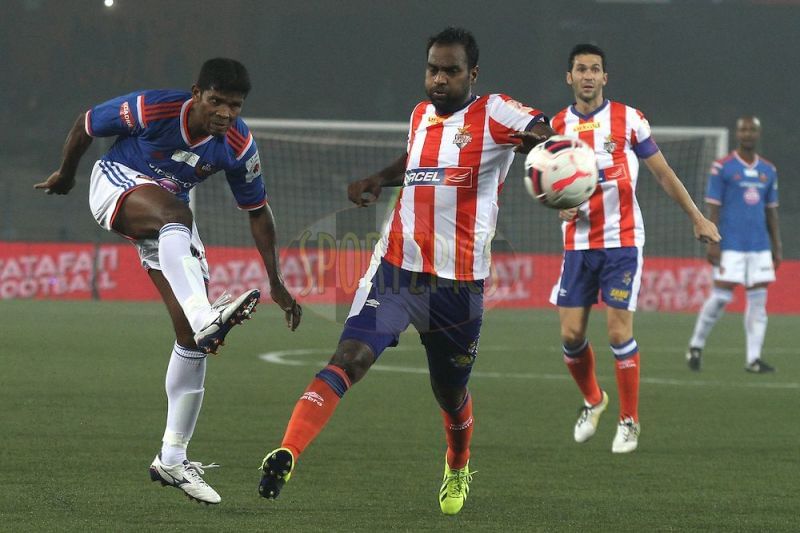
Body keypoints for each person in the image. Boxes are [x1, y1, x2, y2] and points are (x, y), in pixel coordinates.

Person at [256, 27, 553, 515]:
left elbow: (540, 126)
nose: (439, 79)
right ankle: (287, 450)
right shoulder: (419, 115)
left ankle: (458, 463)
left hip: (458, 288)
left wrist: (545, 144)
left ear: (471, 74)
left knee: (450, 391)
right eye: (433, 68)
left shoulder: (494, 113)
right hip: (396, 273)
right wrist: (378, 178)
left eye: (451, 70)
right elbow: (415, 161)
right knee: (350, 357)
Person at [34, 58, 302, 504]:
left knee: (191, 341)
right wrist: (66, 173)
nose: (225, 114)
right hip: (117, 184)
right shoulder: (153, 109)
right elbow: (86, 123)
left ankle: (172, 458)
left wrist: (276, 280)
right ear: (197, 94)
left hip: (166, 216)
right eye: (217, 102)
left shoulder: (237, 144)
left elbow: (258, 212)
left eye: (234, 106)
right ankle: (205, 315)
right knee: (179, 217)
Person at [545, 44, 720, 454]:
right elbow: (552, 185)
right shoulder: (555, 127)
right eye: (581, 69)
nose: (588, 76)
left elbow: (662, 173)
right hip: (578, 246)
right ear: (569, 78)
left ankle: (629, 420)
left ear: (605, 77)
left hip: (622, 242)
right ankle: (593, 400)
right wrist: (562, 210)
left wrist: (697, 217)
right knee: (571, 335)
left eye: (595, 69)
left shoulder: (629, 120)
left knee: (618, 330)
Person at [685, 116, 781, 374]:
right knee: (720, 297)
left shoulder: (768, 170)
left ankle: (753, 359)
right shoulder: (722, 167)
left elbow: (771, 211)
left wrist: (776, 246)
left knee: (759, 302)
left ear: (758, 134)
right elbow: (713, 207)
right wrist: (712, 241)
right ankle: (696, 344)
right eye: (743, 129)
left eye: (752, 130)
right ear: (738, 134)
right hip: (731, 244)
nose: (747, 133)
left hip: (759, 245)